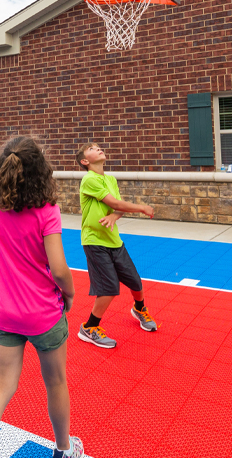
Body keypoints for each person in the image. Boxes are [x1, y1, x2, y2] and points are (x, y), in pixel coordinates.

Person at [0, 136, 83, 458]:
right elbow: (59, 268)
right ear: (40, 170)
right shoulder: (47, 211)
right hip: (43, 313)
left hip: (6, 313)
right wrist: (70, 294)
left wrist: (8, 249)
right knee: (56, 383)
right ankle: (64, 448)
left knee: (1, 387)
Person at [75, 142, 158, 349]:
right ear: (85, 161)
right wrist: (141, 208)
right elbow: (116, 203)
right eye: (92, 149)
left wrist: (114, 216)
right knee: (109, 288)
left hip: (114, 241)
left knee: (135, 282)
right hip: (94, 241)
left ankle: (139, 309)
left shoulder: (110, 179)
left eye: (98, 146)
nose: (98, 148)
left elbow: (118, 206)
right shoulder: (89, 180)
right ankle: (89, 327)